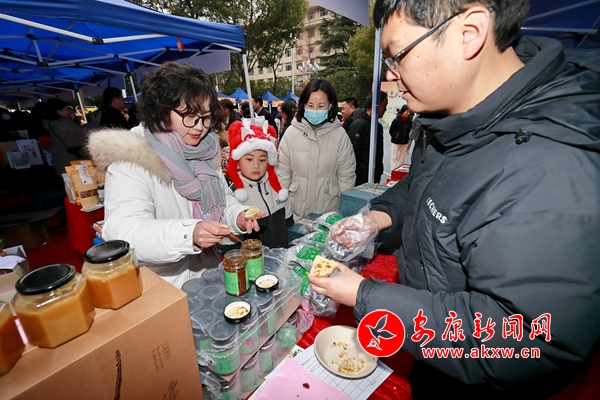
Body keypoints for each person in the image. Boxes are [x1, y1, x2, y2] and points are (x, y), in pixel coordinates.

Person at [307, 0, 600, 397]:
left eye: (397, 55)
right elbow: (422, 185)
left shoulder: (549, 166)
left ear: (470, 32)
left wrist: (365, 296)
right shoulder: (455, 119)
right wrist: (375, 219)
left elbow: (522, 338)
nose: (391, 75)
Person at [87, 62, 260, 289]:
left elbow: (221, 199)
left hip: (208, 275)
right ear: (161, 109)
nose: (199, 127)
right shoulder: (131, 158)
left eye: (206, 117)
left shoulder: (205, 150)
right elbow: (125, 231)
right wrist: (188, 234)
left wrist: (237, 216)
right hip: (165, 286)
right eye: (189, 115)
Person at [277, 78, 356, 221]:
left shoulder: (340, 136)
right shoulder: (291, 134)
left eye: (321, 106)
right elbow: (283, 173)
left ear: (330, 105)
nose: (315, 111)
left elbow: (346, 177)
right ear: (303, 105)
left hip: (328, 215)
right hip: (295, 213)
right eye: (310, 105)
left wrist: (344, 214)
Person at [227, 120, 293, 247]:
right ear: (237, 162)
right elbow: (230, 242)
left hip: (282, 254)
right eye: (249, 159)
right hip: (253, 258)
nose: (256, 165)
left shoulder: (278, 190)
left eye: (262, 160)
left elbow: (289, 225)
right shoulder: (233, 196)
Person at [347, 92, 388, 186]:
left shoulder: (377, 126)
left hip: (374, 175)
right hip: (362, 179)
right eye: (384, 106)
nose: (385, 109)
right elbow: (353, 154)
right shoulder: (358, 125)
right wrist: (360, 177)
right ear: (377, 105)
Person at [43, 98, 89, 176]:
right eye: (66, 109)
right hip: (69, 162)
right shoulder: (62, 125)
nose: (68, 111)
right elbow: (81, 135)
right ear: (59, 111)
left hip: (63, 161)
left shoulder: (54, 123)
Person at [388, 105, 413, 169]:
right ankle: (393, 171)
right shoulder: (396, 120)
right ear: (403, 111)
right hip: (396, 141)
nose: (408, 113)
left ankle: (399, 171)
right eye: (407, 111)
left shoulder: (410, 122)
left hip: (405, 142)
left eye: (409, 112)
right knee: (394, 157)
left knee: (402, 158)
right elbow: (391, 130)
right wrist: (395, 137)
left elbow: (409, 130)